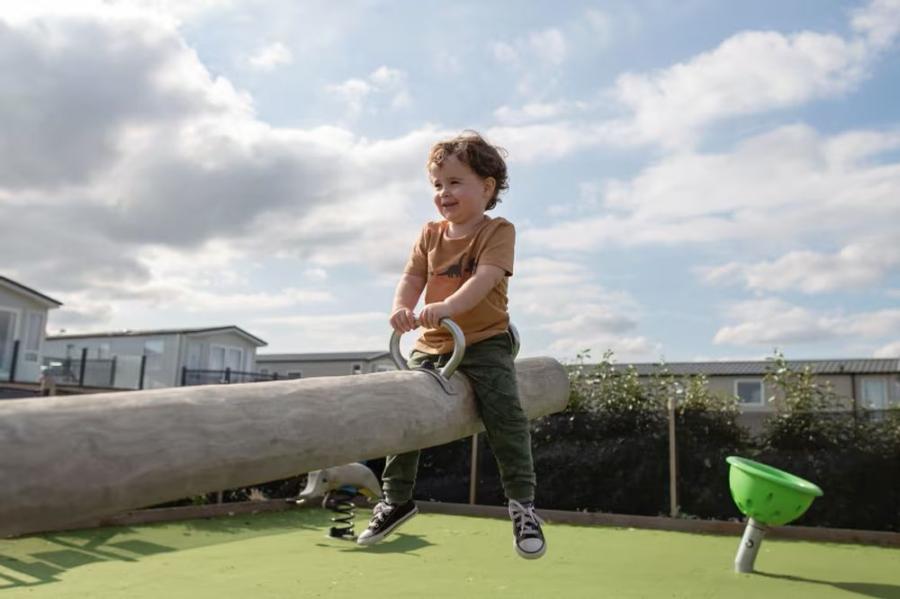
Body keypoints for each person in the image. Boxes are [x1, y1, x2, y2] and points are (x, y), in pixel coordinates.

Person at [356, 131, 546, 559]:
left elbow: (485, 279)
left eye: (455, 182)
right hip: (432, 343)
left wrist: (446, 306)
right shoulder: (429, 234)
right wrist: (403, 308)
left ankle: (522, 504)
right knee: (408, 411)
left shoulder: (498, 232)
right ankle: (396, 499)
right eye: (438, 185)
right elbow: (411, 279)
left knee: (506, 416)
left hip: (484, 342)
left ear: (487, 186)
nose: (444, 193)